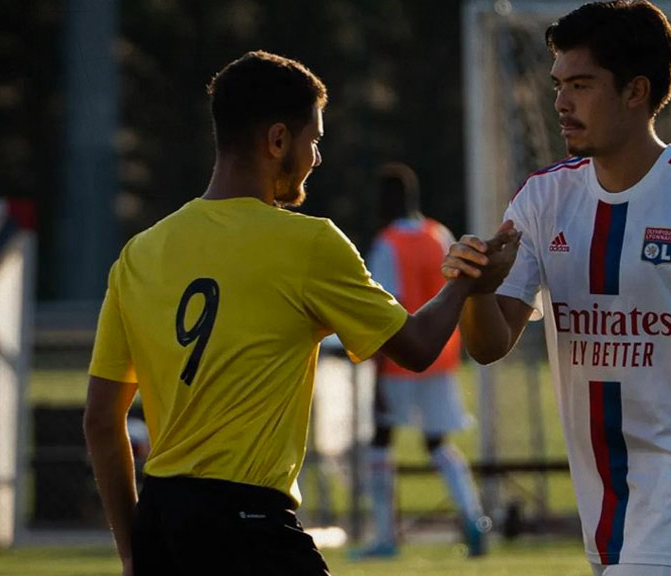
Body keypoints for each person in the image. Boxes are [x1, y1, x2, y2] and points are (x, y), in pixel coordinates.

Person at [82, 51, 519, 576]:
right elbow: (419, 347)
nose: (315, 157)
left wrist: (134, 551)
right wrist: (467, 281)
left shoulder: (140, 252)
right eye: (313, 140)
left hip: (161, 519)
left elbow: (101, 420)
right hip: (248, 522)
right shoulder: (308, 242)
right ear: (277, 141)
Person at [443, 3, 671, 576]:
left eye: (582, 85)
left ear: (637, 91)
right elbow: (490, 345)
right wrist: (478, 289)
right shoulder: (542, 201)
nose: (561, 103)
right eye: (559, 84)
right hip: (607, 512)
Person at [352, 163, 488, 559]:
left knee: (380, 440)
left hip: (400, 360)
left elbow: (383, 311)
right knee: (438, 443)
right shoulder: (439, 234)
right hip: (441, 358)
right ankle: (474, 519)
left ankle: (383, 538)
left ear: (387, 200)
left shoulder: (386, 244)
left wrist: (375, 379)